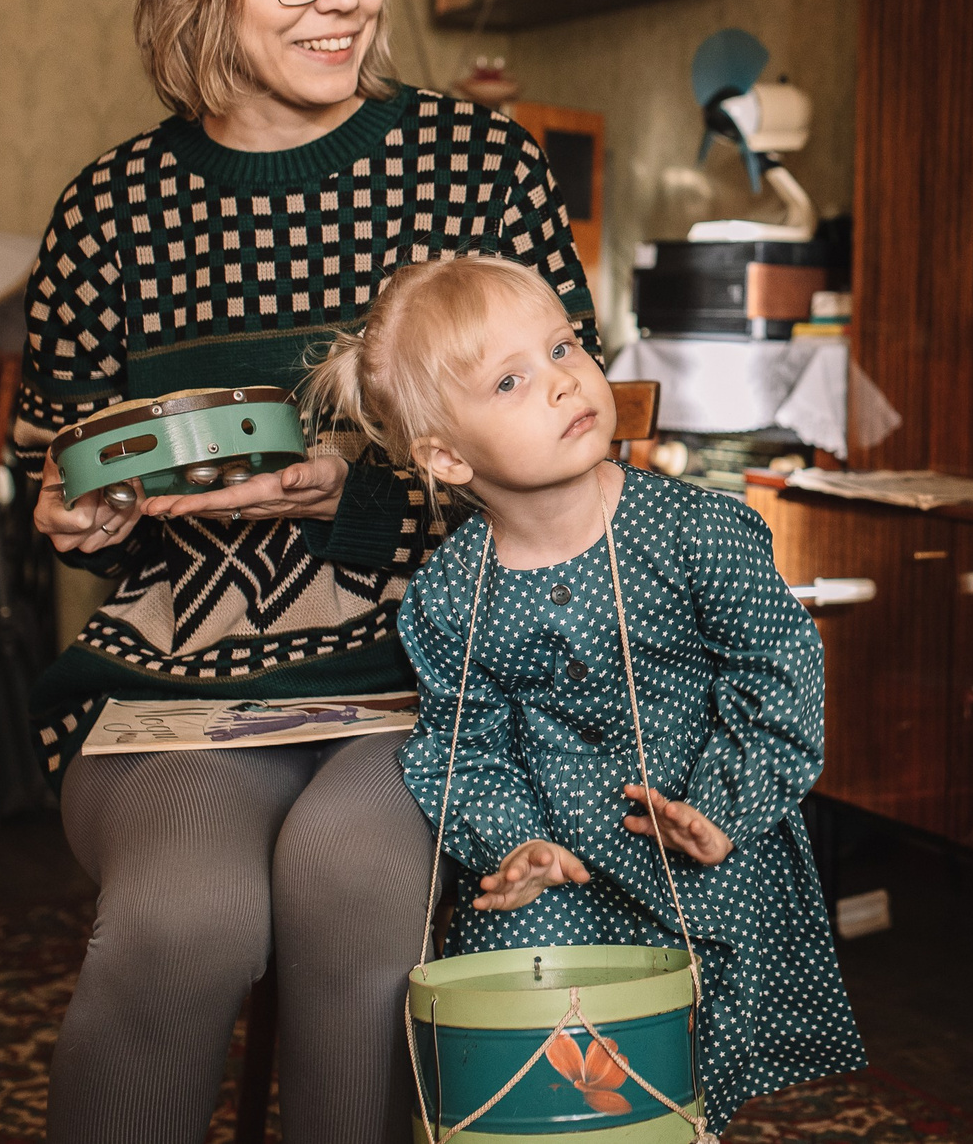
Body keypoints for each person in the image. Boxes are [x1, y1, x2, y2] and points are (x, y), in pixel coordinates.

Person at [23, 0, 599, 1143]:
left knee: (351, 886)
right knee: (186, 916)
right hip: (178, 683)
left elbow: (573, 460)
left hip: (427, 667)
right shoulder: (111, 211)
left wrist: (365, 479)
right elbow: (62, 480)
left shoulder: (476, 168)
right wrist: (74, 511)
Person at [299, 253, 864, 1128]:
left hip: (707, 856)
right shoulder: (454, 593)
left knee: (677, 1085)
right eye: (514, 379)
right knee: (528, 1046)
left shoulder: (697, 532)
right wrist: (515, 842)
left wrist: (720, 804)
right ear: (446, 456)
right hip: (562, 872)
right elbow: (463, 745)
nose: (564, 382)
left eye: (564, 347)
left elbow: (779, 671)